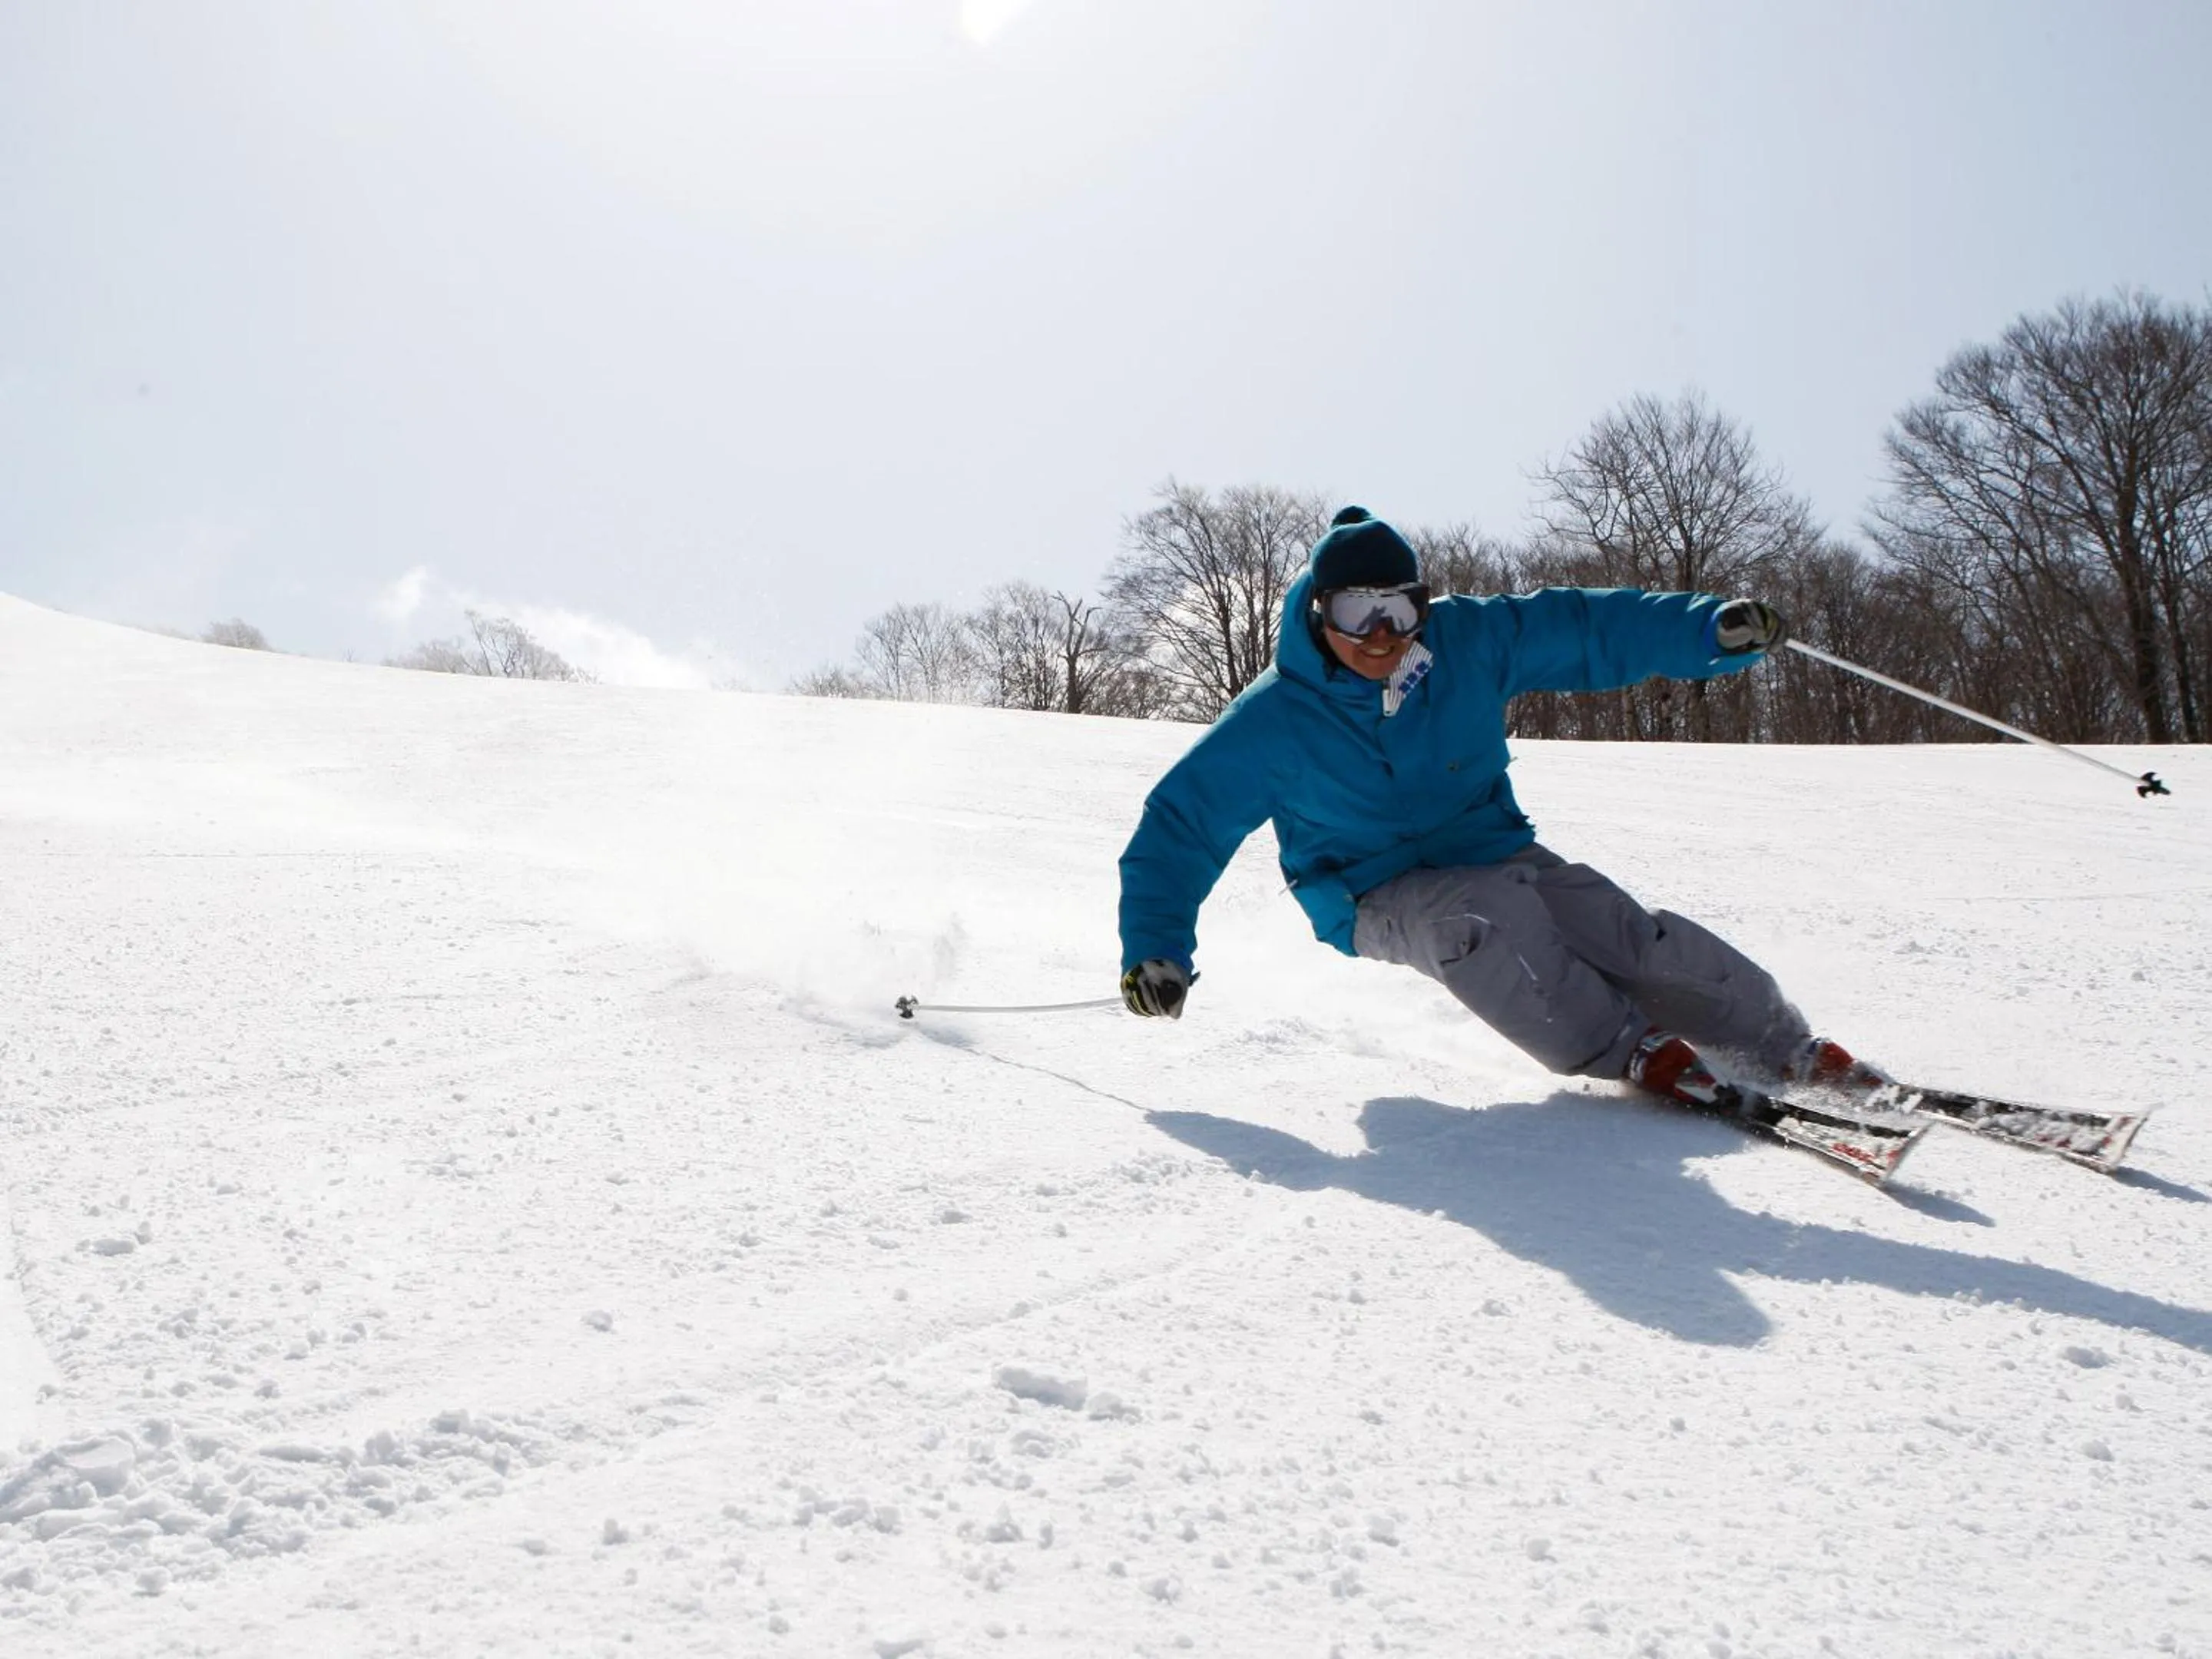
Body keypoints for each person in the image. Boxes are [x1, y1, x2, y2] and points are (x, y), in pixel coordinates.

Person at [1114, 505, 1878, 1111]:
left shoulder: (1464, 643)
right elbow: (1182, 826)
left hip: (1493, 849)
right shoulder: (1275, 719)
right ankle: (1628, 1049)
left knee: (1622, 933)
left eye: (1399, 611)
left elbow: (1585, 629)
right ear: (1320, 614)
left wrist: (1705, 630)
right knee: (1479, 917)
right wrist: (1157, 952)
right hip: (1368, 891)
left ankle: (1780, 1043)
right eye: (1356, 612)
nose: (1380, 636)